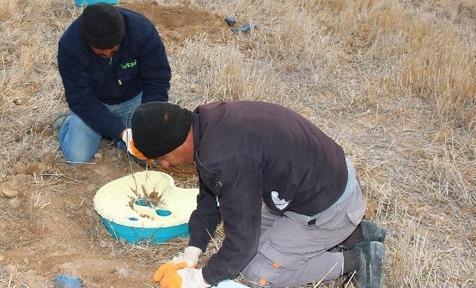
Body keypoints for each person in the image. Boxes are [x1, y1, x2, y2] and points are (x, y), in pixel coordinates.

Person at [129, 101, 386, 288]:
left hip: (326, 205)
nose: (165, 165)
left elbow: (242, 243)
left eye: (162, 157)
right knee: (260, 245)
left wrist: (202, 278)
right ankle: (358, 233)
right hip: (321, 184)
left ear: (179, 141)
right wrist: (192, 250)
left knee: (257, 272)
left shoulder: (224, 157)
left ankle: (355, 260)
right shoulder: (206, 123)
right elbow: (210, 197)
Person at [55, 3, 171, 164]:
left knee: (148, 156)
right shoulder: (70, 46)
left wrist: (149, 118)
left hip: (134, 100)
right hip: (95, 104)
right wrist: (121, 131)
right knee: (77, 159)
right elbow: (80, 98)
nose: (108, 53)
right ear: (88, 42)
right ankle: (68, 123)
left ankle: (115, 135)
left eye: (113, 49)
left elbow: (157, 80)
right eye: (101, 51)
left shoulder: (142, 31)